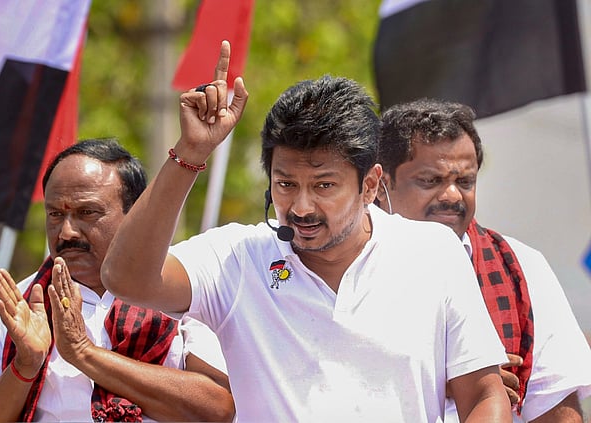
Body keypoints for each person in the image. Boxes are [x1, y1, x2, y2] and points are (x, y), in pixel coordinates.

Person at [101, 40, 512, 422]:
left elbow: (483, 395)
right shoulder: (237, 258)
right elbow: (125, 279)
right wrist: (190, 152)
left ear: (370, 185)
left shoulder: (433, 253)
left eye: (324, 186)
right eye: (285, 184)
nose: (300, 207)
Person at [0, 139, 235, 422]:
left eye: (87, 213)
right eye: (55, 215)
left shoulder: (181, 285)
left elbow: (216, 410)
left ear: (134, 213)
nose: (66, 232)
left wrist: (84, 353)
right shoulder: (26, 303)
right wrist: (25, 366)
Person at [374, 98, 591, 422]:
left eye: (465, 182)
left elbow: (555, 406)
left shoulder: (520, 266)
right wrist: (453, 381)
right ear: (380, 185)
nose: (451, 196)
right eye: (430, 181)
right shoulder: (342, 268)